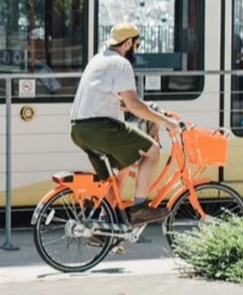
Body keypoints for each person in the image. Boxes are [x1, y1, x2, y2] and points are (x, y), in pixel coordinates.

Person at [69, 22, 180, 225]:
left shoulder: (98, 59)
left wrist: (150, 109)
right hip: (100, 127)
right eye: (137, 45)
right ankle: (140, 208)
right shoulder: (121, 64)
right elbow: (133, 105)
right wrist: (167, 122)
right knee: (153, 151)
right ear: (128, 43)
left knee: (120, 170)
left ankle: (103, 225)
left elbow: (118, 102)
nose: (136, 51)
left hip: (79, 129)